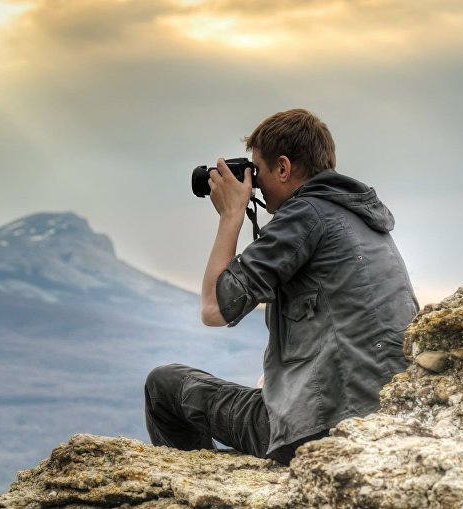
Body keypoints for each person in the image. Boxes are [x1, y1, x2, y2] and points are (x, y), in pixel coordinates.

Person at [144, 109, 418, 464]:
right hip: (382, 418)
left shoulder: (305, 216)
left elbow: (213, 308)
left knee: (163, 386)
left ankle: (200, 488)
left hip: (323, 429)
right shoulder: (362, 218)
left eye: (257, 170)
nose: (253, 181)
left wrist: (231, 216)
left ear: (284, 168)